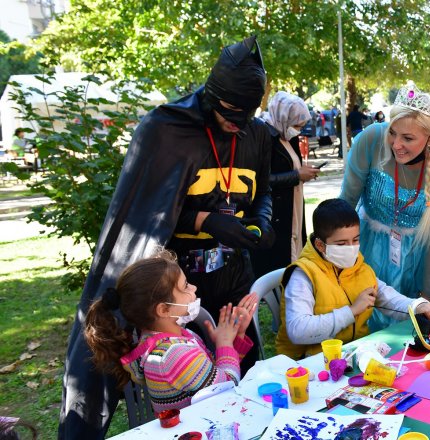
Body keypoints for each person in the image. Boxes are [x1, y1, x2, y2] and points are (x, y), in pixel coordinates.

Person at [59, 36, 274, 438]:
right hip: (176, 286)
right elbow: (145, 217)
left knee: (237, 377)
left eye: (249, 114)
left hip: (231, 275)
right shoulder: (166, 130)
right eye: (231, 112)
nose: (239, 124)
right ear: (211, 96)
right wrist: (206, 221)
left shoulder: (255, 134)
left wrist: (261, 221)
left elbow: (263, 190)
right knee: (186, 386)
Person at [340, 81, 430, 330]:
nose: (395, 144)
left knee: (415, 332)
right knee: (367, 325)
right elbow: (345, 205)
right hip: (370, 248)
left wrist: (426, 298)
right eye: (392, 132)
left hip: (422, 253)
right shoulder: (371, 139)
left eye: (407, 138)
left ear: (429, 139)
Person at [83, 251, 257, 413]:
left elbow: (214, 374)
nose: (194, 288)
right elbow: (226, 387)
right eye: (185, 286)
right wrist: (224, 343)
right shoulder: (173, 354)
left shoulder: (174, 338)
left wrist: (236, 336)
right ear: (164, 310)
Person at [276, 199, 430, 358]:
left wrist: (417, 306)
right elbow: (298, 331)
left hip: (353, 355)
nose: (351, 249)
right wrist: (352, 311)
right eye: (341, 244)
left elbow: (388, 298)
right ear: (320, 245)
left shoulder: (360, 268)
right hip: (310, 365)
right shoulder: (303, 275)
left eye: (355, 240)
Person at [252, 92, 322, 277]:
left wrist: (303, 170)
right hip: (276, 210)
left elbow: (290, 164)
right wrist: (297, 175)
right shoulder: (265, 136)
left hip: (293, 203)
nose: (298, 130)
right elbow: (262, 178)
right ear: (284, 118)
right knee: (281, 258)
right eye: (297, 125)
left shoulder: (287, 135)